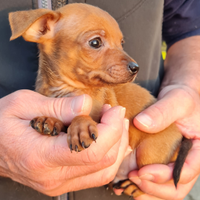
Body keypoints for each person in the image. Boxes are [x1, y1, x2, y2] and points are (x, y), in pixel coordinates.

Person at [0, 1, 200, 200]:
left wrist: (189, 88)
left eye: (120, 44)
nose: (130, 62)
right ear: (42, 28)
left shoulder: (99, 89)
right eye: (95, 43)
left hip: (147, 152)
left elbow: (189, 25)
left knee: (147, 172)